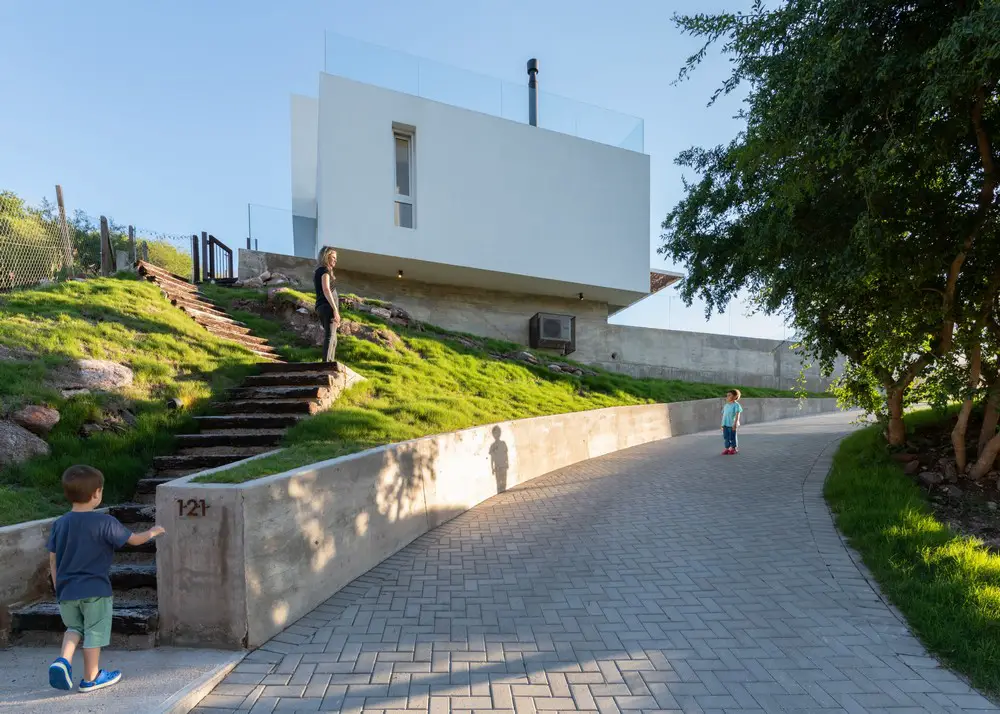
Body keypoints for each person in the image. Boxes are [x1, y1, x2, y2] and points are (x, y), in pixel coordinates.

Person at [46, 465, 165, 692]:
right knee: (94, 632)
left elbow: (53, 560)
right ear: (97, 494)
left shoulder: (59, 524)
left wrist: (58, 587)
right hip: (96, 590)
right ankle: (91, 678)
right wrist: (154, 531)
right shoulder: (105, 522)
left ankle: (63, 660)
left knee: (73, 627)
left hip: (66, 590)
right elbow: (135, 540)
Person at [314, 246, 341, 363]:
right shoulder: (324, 271)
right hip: (327, 307)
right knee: (330, 337)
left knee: (333, 338)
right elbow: (326, 289)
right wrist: (335, 310)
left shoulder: (320, 271)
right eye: (333, 257)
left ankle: (330, 362)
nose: (335, 260)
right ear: (326, 257)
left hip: (322, 307)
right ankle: (326, 364)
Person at [721, 389, 743, 455]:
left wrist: (735, 423)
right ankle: (727, 448)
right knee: (726, 437)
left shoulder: (736, 405)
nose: (727, 397)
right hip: (725, 424)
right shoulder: (726, 405)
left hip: (732, 424)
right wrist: (722, 424)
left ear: (735, 396)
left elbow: (737, 414)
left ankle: (734, 448)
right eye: (727, 395)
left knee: (732, 437)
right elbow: (724, 415)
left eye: (729, 395)